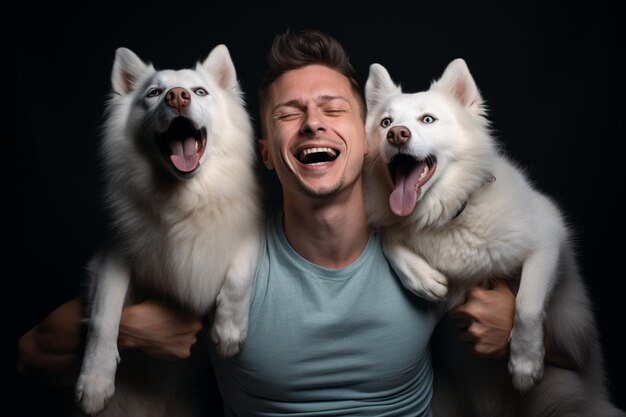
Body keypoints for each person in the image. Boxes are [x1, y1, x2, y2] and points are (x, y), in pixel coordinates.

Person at [17, 29, 517, 416]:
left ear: (369, 142)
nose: (312, 123)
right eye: (289, 113)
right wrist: (127, 331)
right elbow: (30, 352)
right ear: (267, 156)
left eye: (333, 108)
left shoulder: (431, 247)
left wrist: (520, 327)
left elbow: (569, 351)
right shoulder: (220, 258)